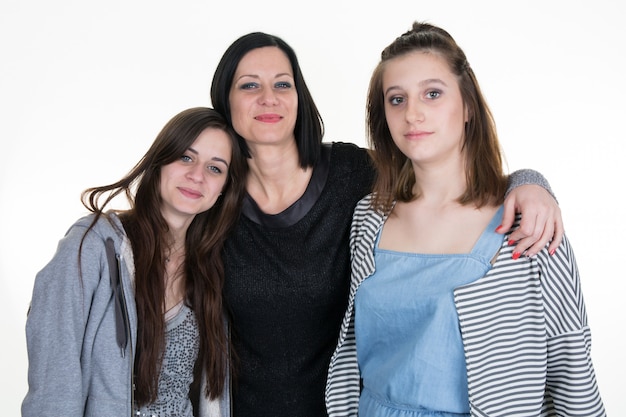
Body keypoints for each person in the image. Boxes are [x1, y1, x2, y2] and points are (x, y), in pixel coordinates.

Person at [210, 31, 566, 417]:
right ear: (225, 101)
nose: (269, 97)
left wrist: (530, 183)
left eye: (283, 83)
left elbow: (431, 162)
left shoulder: (353, 176)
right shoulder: (212, 199)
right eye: (249, 85)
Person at [325, 21, 606, 417]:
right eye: (397, 99)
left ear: (468, 106)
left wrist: (531, 182)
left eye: (433, 93)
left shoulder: (528, 222)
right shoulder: (368, 218)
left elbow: (572, 368)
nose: (413, 114)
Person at [22, 107, 246, 417]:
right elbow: (53, 382)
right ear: (159, 161)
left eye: (215, 168)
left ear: (224, 190)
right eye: (185, 157)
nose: (197, 175)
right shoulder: (94, 245)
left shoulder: (213, 270)